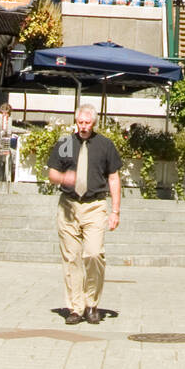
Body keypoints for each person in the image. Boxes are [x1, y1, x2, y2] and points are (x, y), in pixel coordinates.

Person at [47, 104, 121, 325]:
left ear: (94, 123)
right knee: (71, 258)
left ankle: (92, 303)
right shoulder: (66, 143)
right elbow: (51, 173)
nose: (83, 126)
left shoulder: (105, 145)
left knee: (93, 254)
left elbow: (114, 178)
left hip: (94, 206)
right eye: (80, 122)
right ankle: (76, 308)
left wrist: (115, 210)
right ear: (76, 121)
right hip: (69, 205)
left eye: (87, 123)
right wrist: (62, 178)